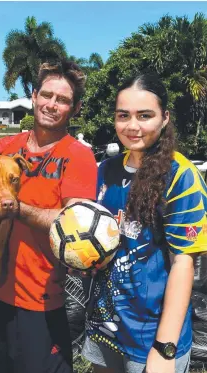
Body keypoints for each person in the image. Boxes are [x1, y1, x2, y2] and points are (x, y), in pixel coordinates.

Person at [0, 60, 98, 373]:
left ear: (76, 108)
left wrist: (17, 209)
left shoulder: (77, 156)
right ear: (33, 96)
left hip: (41, 300)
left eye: (63, 100)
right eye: (46, 95)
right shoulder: (1, 148)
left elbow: (75, 223)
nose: (52, 104)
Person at [81, 73, 207, 373]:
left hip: (152, 338)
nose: (132, 126)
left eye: (144, 115)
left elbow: (183, 264)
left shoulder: (180, 175)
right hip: (105, 328)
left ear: (164, 118)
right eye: (123, 115)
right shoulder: (106, 170)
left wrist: (165, 349)